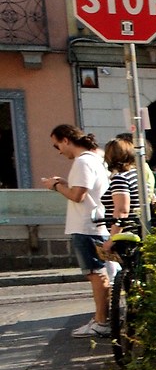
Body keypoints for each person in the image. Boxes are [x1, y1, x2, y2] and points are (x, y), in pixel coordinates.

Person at [41, 126, 110, 337]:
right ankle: (101, 318)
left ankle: (101, 322)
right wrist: (63, 183)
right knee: (98, 273)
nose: (58, 151)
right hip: (95, 223)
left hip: (86, 225)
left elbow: (78, 195)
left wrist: (55, 186)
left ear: (66, 140)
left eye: (57, 145)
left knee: (96, 274)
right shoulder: (94, 159)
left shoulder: (82, 161)